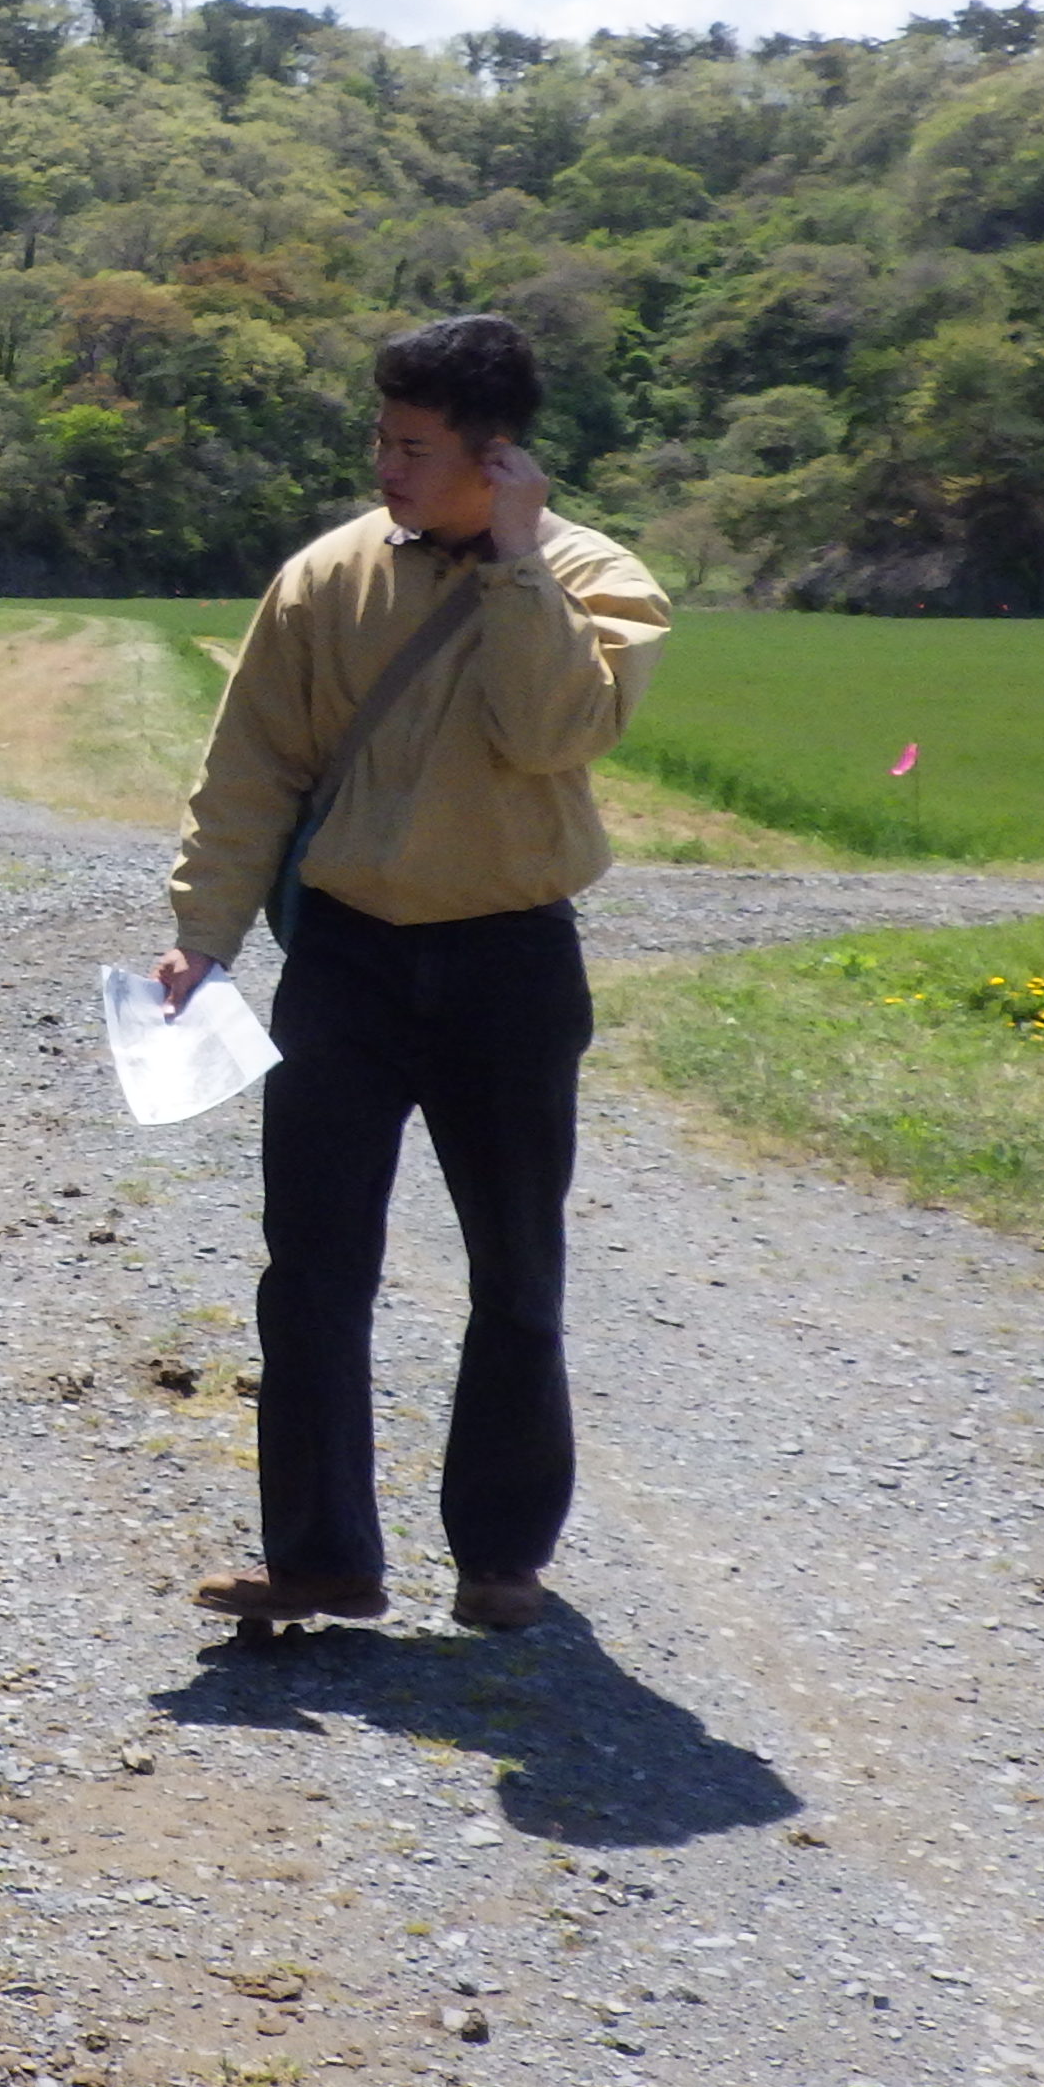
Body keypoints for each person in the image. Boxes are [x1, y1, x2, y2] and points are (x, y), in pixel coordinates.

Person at [152, 314, 672, 1635]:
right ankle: (323, 1555)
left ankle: (501, 1556)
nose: (386, 466)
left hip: (510, 958)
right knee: (311, 1268)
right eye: (380, 438)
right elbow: (251, 767)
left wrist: (514, 568)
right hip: (346, 960)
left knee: (517, 1270)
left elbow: (553, 731)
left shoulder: (597, 579)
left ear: (498, 460)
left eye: (417, 446)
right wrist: (203, 934)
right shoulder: (326, 578)